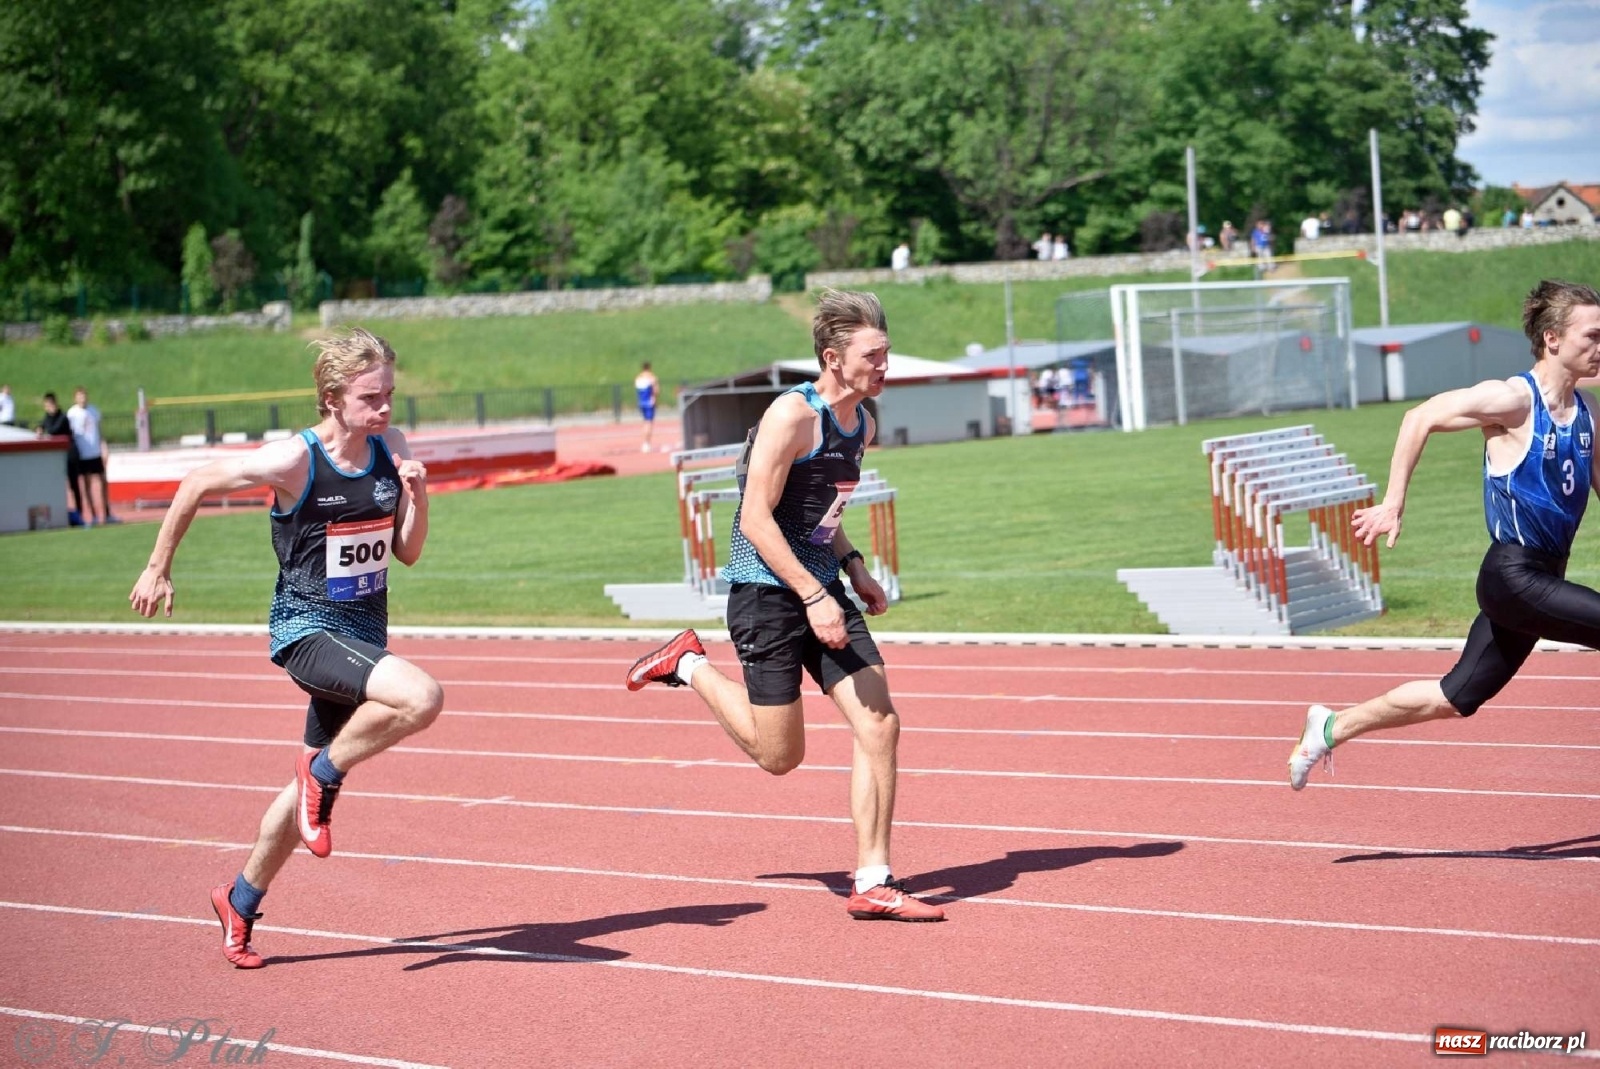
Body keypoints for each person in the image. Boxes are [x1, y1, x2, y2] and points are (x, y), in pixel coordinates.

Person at [623, 289, 945, 922]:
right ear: (833, 357)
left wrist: (855, 568)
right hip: (768, 597)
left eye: (886, 354)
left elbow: (823, 514)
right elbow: (755, 518)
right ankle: (686, 663)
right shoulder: (790, 417)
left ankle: (873, 879)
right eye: (873, 356)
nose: (885, 366)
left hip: (824, 586)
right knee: (780, 758)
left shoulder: (863, 423)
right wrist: (814, 594)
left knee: (880, 723)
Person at [129, 327, 443, 967]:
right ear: (332, 398)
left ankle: (238, 900)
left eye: (389, 396)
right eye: (369, 399)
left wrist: (419, 493)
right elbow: (194, 482)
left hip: (362, 641)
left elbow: (407, 553)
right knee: (422, 697)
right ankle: (322, 774)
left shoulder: (393, 447)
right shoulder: (293, 460)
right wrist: (157, 567)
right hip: (306, 633)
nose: (384, 411)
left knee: (294, 803)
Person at [1289, 280, 1600, 790]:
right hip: (1512, 574)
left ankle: (1330, 727)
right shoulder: (1512, 399)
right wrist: (1393, 501)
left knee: (1454, 697)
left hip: (1546, 578)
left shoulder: (1589, 411)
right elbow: (1420, 417)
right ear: (1551, 339)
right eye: (1592, 335)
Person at [66, 387, 112, 526]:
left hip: (95, 452)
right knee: (86, 485)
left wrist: (104, 448)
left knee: (102, 481)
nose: (83, 398)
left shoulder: (94, 411)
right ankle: (92, 515)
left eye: (84, 395)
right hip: (82, 453)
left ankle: (106, 513)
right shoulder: (72, 414)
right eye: (80, 396)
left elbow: (99, 431)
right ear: (75, 398)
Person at [35, 391, 82, 522]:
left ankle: (80, 512)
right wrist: (39, 428)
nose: (49, 408)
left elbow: (53, 430)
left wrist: (44, 432)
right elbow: (42, 425)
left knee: (74, 485)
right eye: (47, 405)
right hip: (57, 457)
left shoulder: (63, 417)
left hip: (69, 454)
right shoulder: (46, 417)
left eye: (51, 405)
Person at [634, 361, 660, 453]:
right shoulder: (652, 378)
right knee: (649, 423)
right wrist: (655, 397)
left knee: (645, 422)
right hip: (649, 402)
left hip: (641, 402)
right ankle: (646, 443)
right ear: (649, 367)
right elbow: (656, 391)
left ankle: (645, 443)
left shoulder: (638, 378)